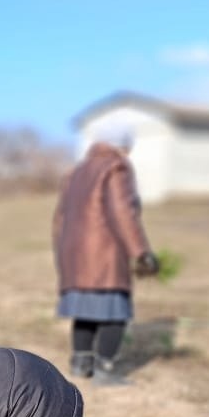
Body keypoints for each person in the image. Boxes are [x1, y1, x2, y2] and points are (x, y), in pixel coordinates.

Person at [53, 122, 159, 384]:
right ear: (124, 144)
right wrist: (141, 251)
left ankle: (80, 364)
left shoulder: (76, 171)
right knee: (114, 313)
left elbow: (60, 217)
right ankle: (106, 370)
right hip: (104, 253)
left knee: (85, 311)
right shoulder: (116, 167)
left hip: (75, 254)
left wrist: (62, 253)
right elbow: (122, 213)